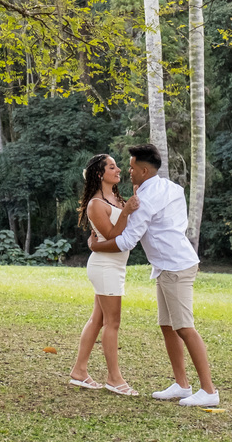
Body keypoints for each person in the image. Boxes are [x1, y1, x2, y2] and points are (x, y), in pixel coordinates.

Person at [89, 143, 220, 407]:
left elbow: (126, 241)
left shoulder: (145, 200)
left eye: (132, 167)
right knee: (167, 325)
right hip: (168, 265)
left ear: (144, 170)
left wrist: (95, 246)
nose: (128, 171)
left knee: (184, 327)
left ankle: (209, 391)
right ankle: (182, 385)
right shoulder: (171, 188)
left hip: (175, 267)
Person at [68, 153, 141, 395]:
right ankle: (114, 379)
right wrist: (128, 211)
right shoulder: (96, 204)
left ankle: (79, 372)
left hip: (114, 265)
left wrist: (130, 203)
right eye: (112, 167)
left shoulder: (115, 198)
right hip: (105, 266)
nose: (118, 169)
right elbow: (111, 235)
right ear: (100, 174)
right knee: (113, 322)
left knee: (98, 320)